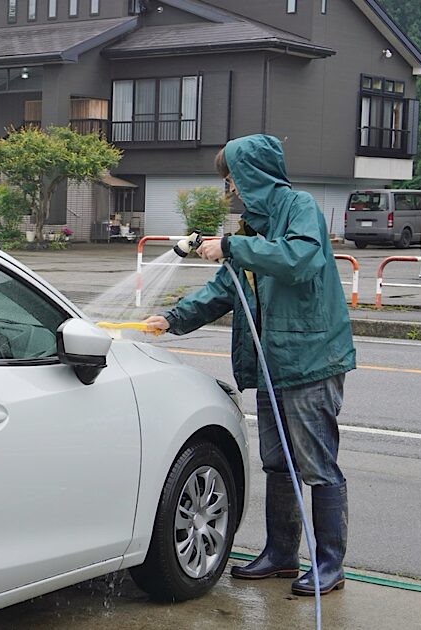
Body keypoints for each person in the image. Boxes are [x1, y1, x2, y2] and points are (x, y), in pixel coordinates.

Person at [142, 134, 356, 596]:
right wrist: (172, 318)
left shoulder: (299, 209)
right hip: (272, 361)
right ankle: (281, 555)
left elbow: (299, 259)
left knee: (317, 465)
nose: (230, 187)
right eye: (226, 179)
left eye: (233, 177)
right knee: (278, 464)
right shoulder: (251, 227)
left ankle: (329, 564)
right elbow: (225, 289)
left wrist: (232, 247)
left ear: (253, 174)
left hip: (311, 359)